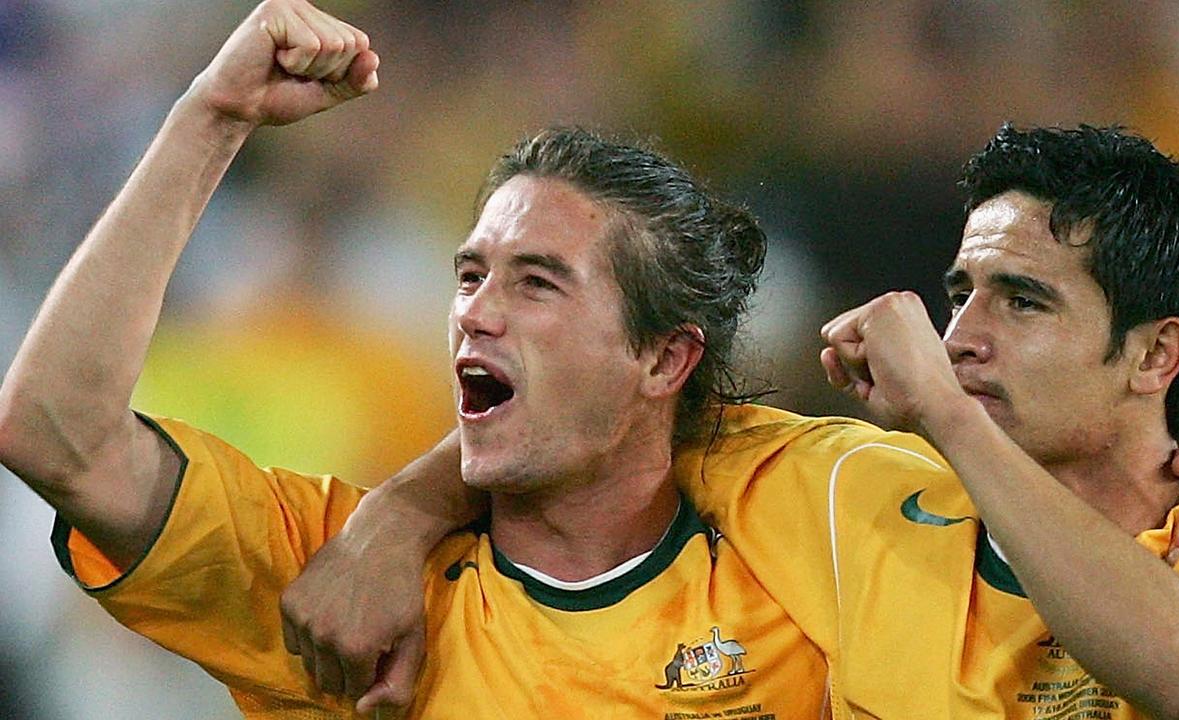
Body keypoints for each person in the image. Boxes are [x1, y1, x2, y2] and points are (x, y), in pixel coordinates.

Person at [0, 1, 833, 717]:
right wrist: (210, 118)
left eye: (537, 283)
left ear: (663, 360)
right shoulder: (339, 600)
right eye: (470, 275)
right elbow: (55, 435)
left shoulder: (808, 562)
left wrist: (404, 511)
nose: (476, 310)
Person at [281, 125, 1179, 719]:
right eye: (957, 292)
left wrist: (945, 415)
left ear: (1154, 355)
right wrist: (392, 520)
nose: (960, 335)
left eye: (1021, 301)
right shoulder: (848, 491)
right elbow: (596, 418)